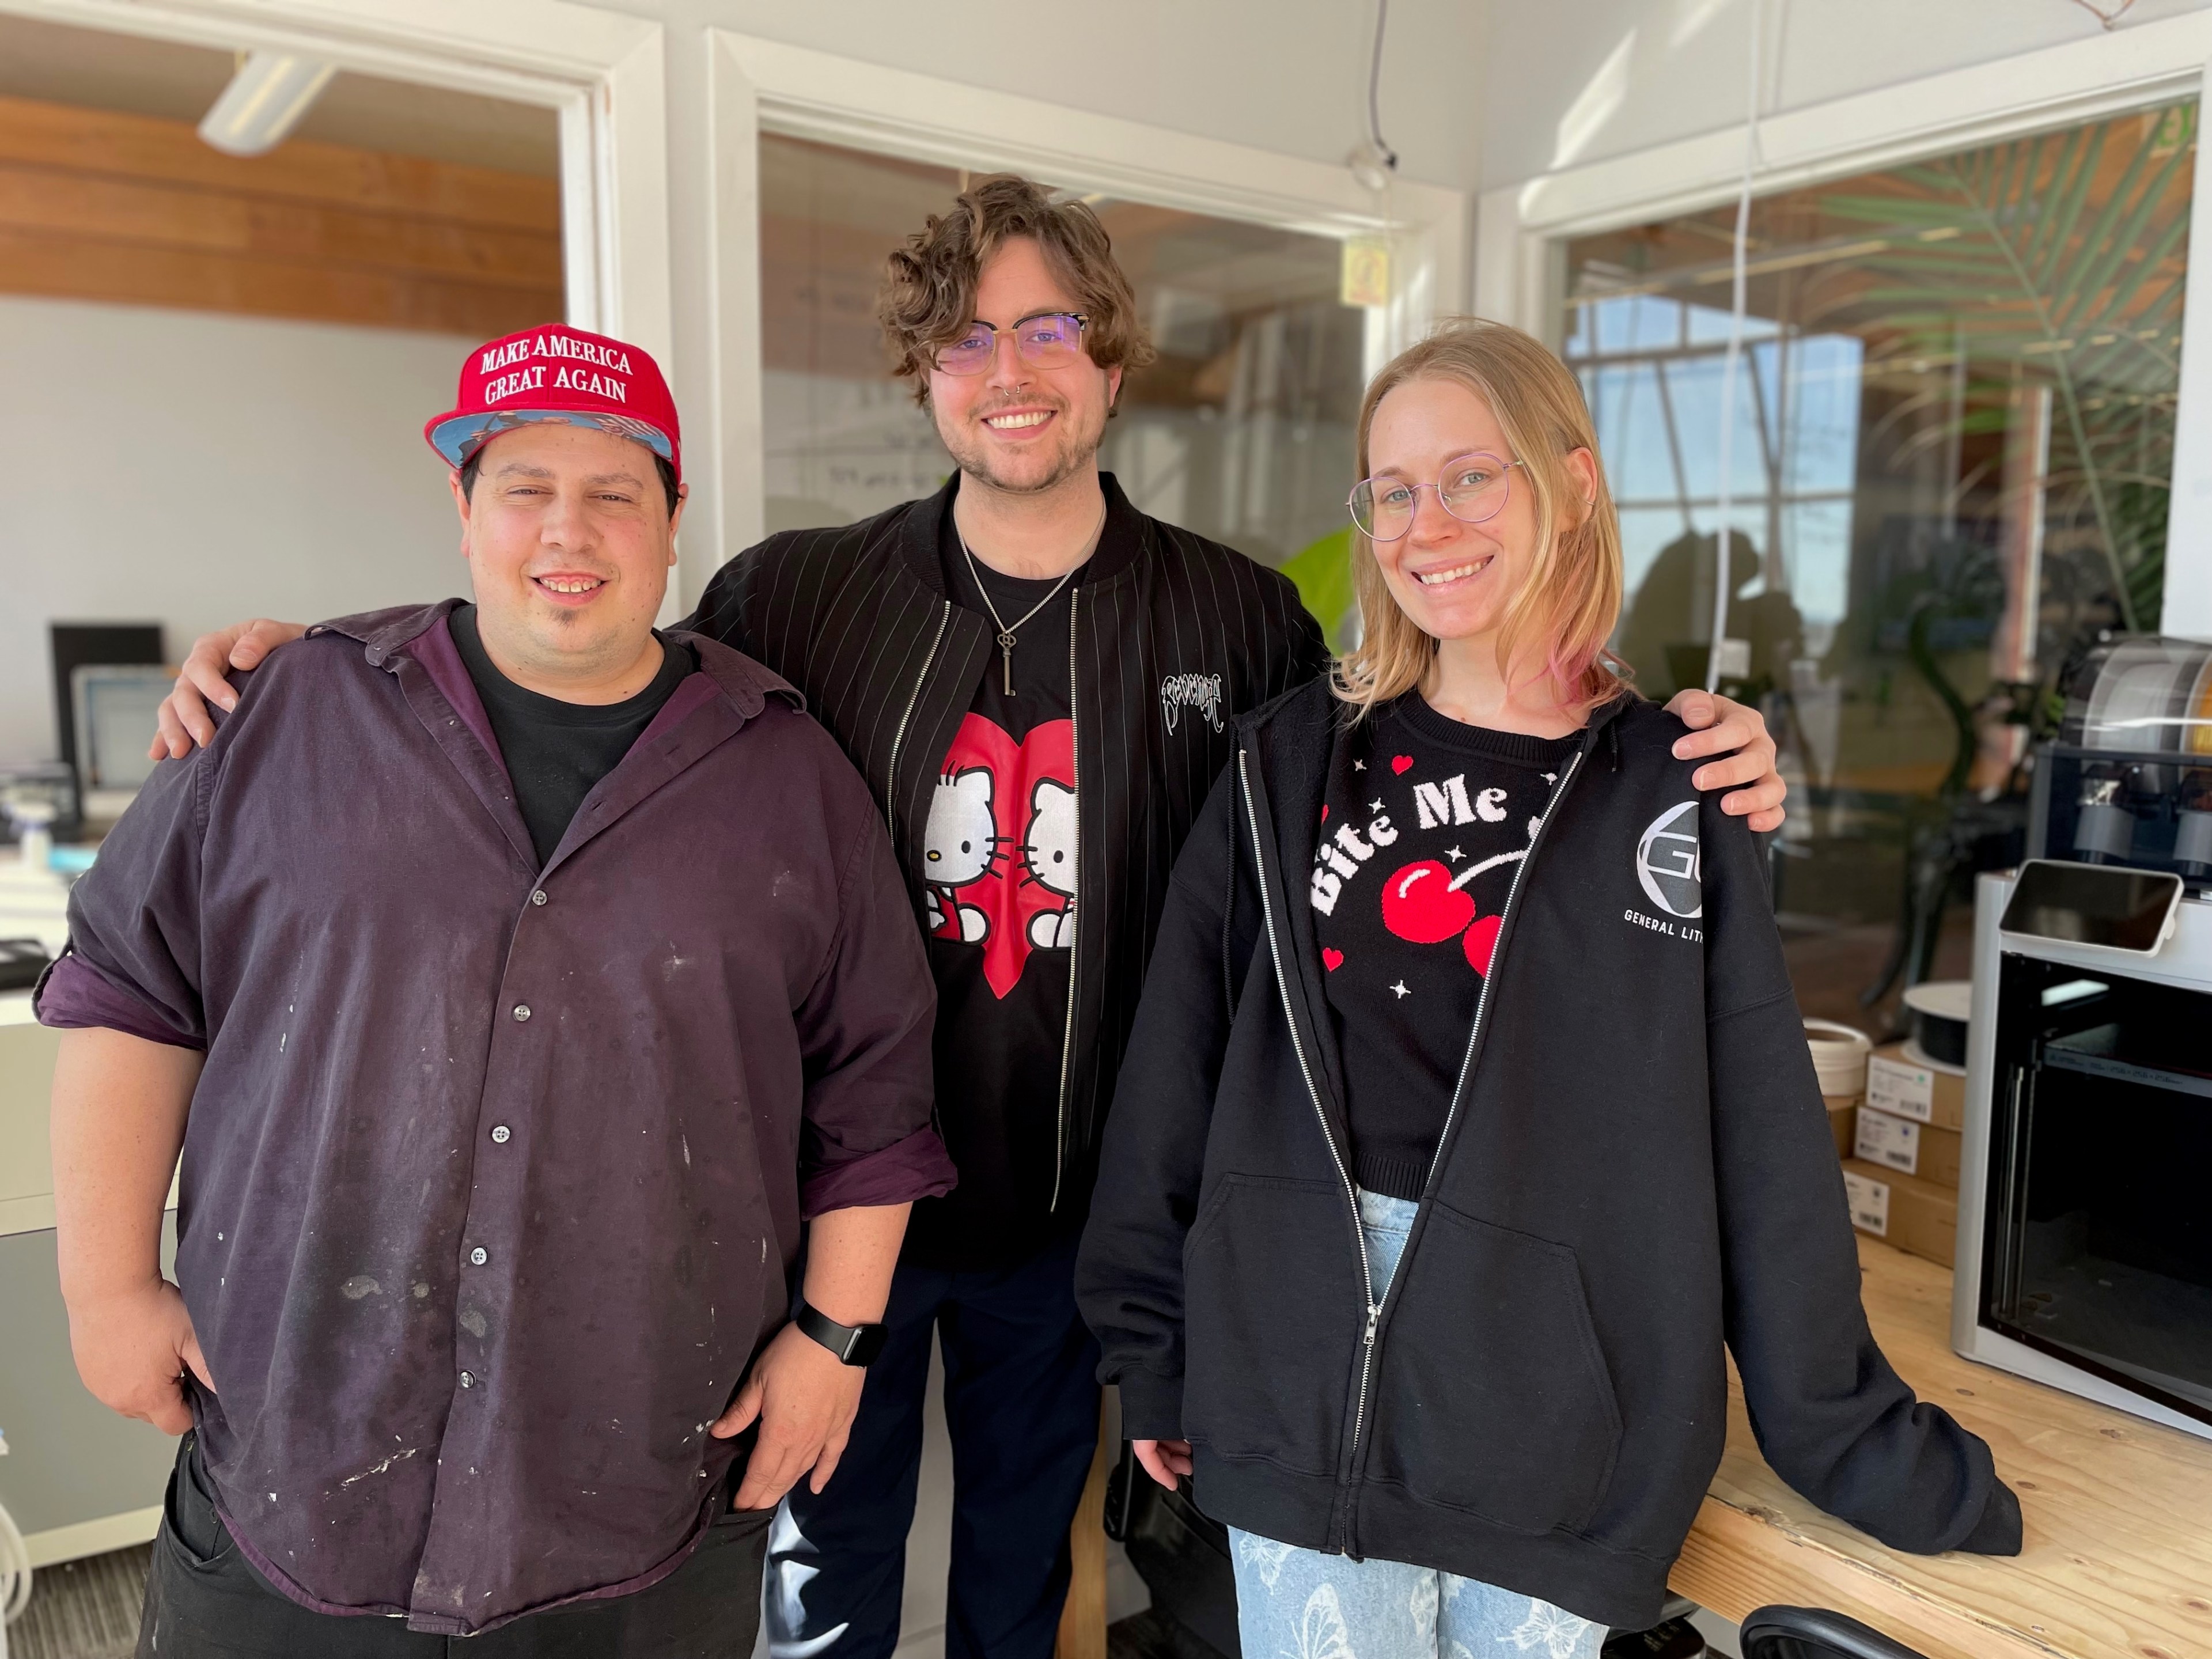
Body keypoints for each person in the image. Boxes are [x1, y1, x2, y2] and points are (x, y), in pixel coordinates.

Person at [149, 179, 1790, 1659]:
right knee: (815, 1571)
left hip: (1084, 1221)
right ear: (926, 374)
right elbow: (586, 669)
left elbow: (1422, 744)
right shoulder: (793, 594)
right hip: (818, 1217)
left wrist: (1665, 748)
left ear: (1110, 362)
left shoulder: (1242, 616)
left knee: (1029, 1565)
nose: (1010, 366)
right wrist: (326, 669)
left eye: (1050, 326)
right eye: (967, 335)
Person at [1075, 320, 2021, 1656]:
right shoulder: (1285, 763)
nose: (1428, 523)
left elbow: (1758, 1133)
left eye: (1472, 475)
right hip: (1292, 1384)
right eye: (1394, 490)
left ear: (1572, 483)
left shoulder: (1682, 792)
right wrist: (1155, 1349)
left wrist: (1848, 1434)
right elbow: (1175, 1069)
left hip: (1555, 1423)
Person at [41, 324, 955, 1657]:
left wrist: (835, 1341)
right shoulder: (279, 720)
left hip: (640, 1496)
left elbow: (875, 1094)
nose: (565, 531)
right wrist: (106, 1291)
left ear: (673, 520)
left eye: (614, 492)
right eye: (523, 485)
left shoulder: (792, 781)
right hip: (294, 1470)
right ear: (463, 509)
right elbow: (131, 998)